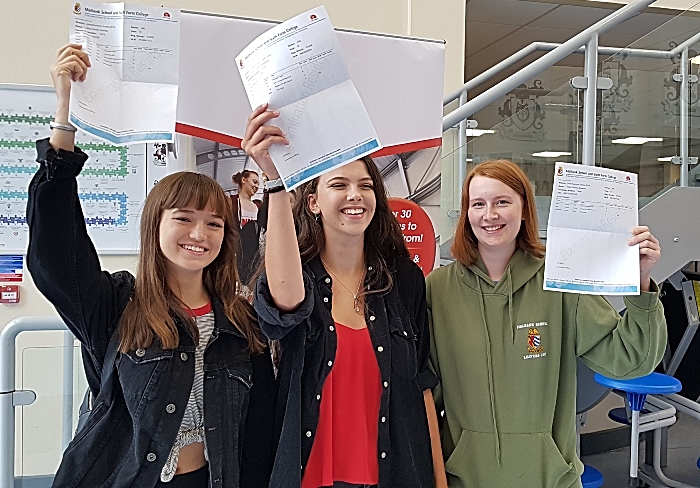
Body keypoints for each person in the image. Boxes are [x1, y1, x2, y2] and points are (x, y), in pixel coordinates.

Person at [26, 44, 276, 488]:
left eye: (213, 223)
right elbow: (54, 253)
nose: (199, 234)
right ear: (154, 226)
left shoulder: (241, 321)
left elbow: (258, 434)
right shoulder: (118, 305)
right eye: (183, 218)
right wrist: (64, 112)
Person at [426, 159, 667, 488]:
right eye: (478, 204)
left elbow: (630, 361)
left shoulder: (560, 284)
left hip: (550, 479)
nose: (489, 214)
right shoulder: (437, 290)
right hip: (464, 479)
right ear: (467, 214)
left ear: (524, 209)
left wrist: (641, 284)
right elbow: (424, 393)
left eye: (502, 202)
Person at [242, 104, 448, 488]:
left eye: (365, 185)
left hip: (395, 473)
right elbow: (281, 309)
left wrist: (437, 480)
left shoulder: (403, 279)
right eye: (338, 185)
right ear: (313, 202)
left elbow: (420, 386)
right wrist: (275, 180)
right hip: (310, 477)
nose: (355, 195)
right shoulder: (297, 277)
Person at [230, 170, 264, 283]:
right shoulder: (231, 202)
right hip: (236, 252)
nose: (256, 186)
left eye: (258, 184)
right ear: (244, 180)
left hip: (254, 254)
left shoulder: (258, 206)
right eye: (254, 182)